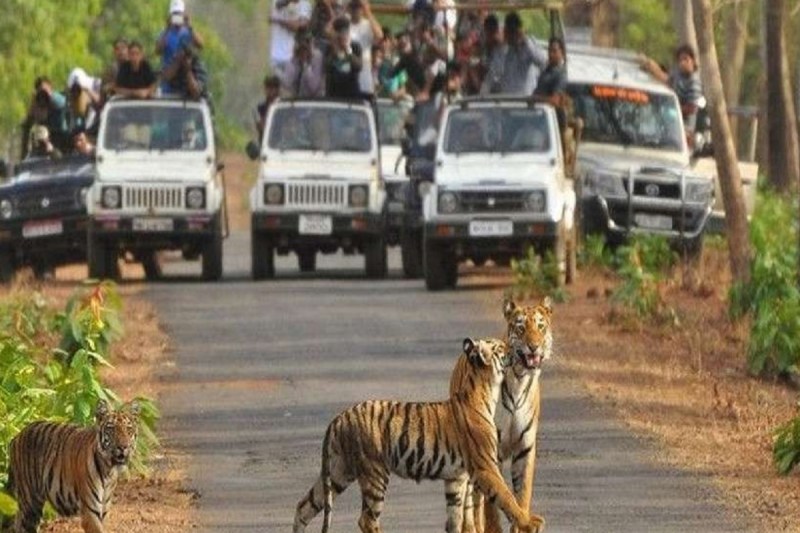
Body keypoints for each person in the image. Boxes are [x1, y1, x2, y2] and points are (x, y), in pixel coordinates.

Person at [640, 44, 704, 144]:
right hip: (667, 123)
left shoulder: (694, 81)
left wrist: (672, 109)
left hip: (683, 127)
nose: (683, 63)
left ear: (693, 61)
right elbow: (666, 80)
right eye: (680, 60)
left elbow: (692, 108)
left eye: (686, 59)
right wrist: (652, 67)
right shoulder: (678, 74)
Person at [481, 11, 546, 96]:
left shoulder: (529, 46)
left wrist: (525, 41)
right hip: (507, 99)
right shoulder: (503, 50)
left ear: (517, 32)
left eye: (510, 32)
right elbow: (493, 73)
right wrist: (483, 92)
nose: (506, 34)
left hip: (526, 100)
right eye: (506, 31)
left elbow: (543, 62)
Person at [157, 0, 204, 91]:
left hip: (186, 81)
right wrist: (167, 28)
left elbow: (201, 45)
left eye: (179, 14)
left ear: (184, 14)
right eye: (175, 14)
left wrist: (190, 26)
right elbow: (158, 50)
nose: (177, 17)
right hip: (168, 83)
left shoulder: (189, 32)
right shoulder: (164, 33)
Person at [22, 77, 69, 158]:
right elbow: (27, 125)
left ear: (51, 88)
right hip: (47, 143)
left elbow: (63, 103)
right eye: (40, 92)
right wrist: (34, 104)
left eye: (45, 90)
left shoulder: (58, 100)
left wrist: (49, 95)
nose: (43, 94)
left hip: (64, 140)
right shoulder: (38, 105)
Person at [347, 0, 383, 97]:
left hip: (364, 69)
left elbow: (379, 35)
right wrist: (343, 10)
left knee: (365, 99)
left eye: (358, 6)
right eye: (353, 6)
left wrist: (367, 11)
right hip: (347, 69)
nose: (356, 9)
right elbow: (328, 31)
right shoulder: (345, 23)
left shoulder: (367, 24)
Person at [269, 0, 312, 77]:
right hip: (275, 55)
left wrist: (277, 21)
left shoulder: (305, 3)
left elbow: (297, 27)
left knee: (289, 85)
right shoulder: (277, 2)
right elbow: (277, 6)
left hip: (292, 56)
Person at [533, 37, 568, 129]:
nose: (550, 54)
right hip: (538, 120)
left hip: (550, 124)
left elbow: (554, 100)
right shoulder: (545, 71)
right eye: (549, 51)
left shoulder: (561, 74)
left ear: (562, 53)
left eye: (554, 51)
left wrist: (535, 99)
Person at [325, 17, 363, 98]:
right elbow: (326, 67)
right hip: (333, 93)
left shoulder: (355, 46)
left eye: (345, 32)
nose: (342, 35)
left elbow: (358, 66)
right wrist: (335, 50)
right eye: (339, 32)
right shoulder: (330, 47)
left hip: (352, 92)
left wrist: (347, 49)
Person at [281, 30, 324, 97]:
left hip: (314, 100)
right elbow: (287, 83)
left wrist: (305, 64)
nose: (305, 46)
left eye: (308, 42)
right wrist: (294, 60)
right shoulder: (295, 59)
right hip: (297, 99)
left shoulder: (317, 57)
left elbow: (313, 87)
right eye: (301, 42)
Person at [66, 68, 103, 134]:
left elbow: (101, 103)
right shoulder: (72, 95)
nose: (76, 93)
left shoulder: (96, 84)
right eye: (73, 91)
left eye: (77, 91)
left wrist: (87, 91)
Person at [256, 75, 281, 143]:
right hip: (265, 144)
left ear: (277, 90)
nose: (270, 91)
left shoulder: (282, 107)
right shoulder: (261, 107)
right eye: (267, 88)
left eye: (272, 88)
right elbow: (260, 127)